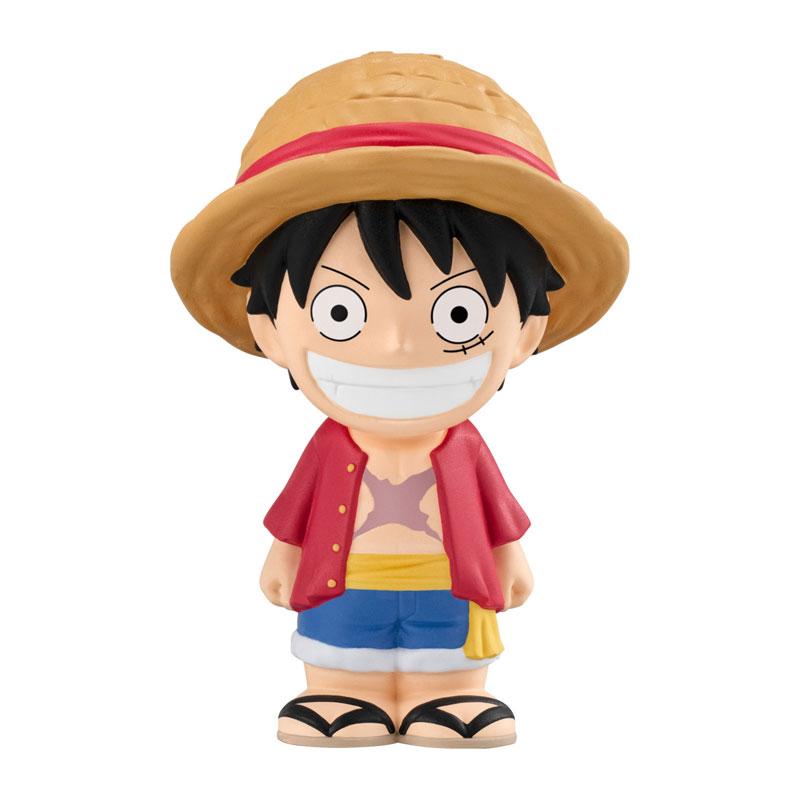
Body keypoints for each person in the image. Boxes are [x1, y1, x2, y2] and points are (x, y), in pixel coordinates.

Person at [171, 52, 628, 748]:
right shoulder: (332, 446)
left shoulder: (463, 447)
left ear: (527, 331)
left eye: (455, 314)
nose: (392, 345)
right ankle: (340, 692)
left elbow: (496, 514)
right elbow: (296, 512)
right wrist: (283, 554)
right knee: (341, 645)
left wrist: (509, 557)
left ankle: (446, 694)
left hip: (449, 584)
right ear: (270, 330)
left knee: (445, 650)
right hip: (344, 581)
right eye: (342, 313)